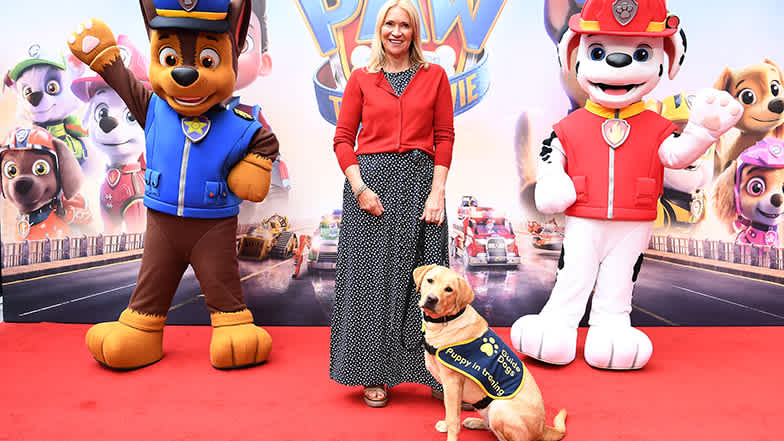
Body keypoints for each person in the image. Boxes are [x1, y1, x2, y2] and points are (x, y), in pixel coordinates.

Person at [329, 0, 455, 408]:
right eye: (389, 24)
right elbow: (343, 139)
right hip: (370, 189)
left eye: (404, 25)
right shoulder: (362, 79)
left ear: (414, 32)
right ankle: (372, 374)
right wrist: (360, 188)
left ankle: (437, 373)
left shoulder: (434, 76)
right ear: (379, 31)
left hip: (421, 185)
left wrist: (437, 192)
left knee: (425, 284)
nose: (396, 31)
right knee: (370, 286)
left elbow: (444, 137)